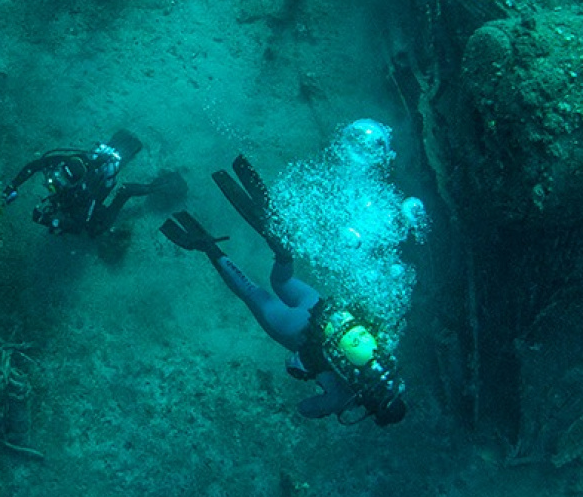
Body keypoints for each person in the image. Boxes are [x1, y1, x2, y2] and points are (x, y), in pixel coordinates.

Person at [161, 153, 408, 426]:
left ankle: (283, 251)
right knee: (250, 291)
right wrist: (333, 405)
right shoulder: (348, 395)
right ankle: (208, 245)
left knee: (281, 279)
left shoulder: (386, 357)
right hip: (295, 331)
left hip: (319, 307)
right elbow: (305, 408)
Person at [3, 130, 186, 238]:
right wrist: (13, 186)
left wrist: (47, 220)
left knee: (95, 230)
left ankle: (157, 186)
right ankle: (123, 143)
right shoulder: (64, 161)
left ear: (76, 184)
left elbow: (80, 225)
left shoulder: (86, 193)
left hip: (96, 195)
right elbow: (35, 165)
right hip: (91, 176)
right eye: (58, 175)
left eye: (64, 181)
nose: (56, 180)